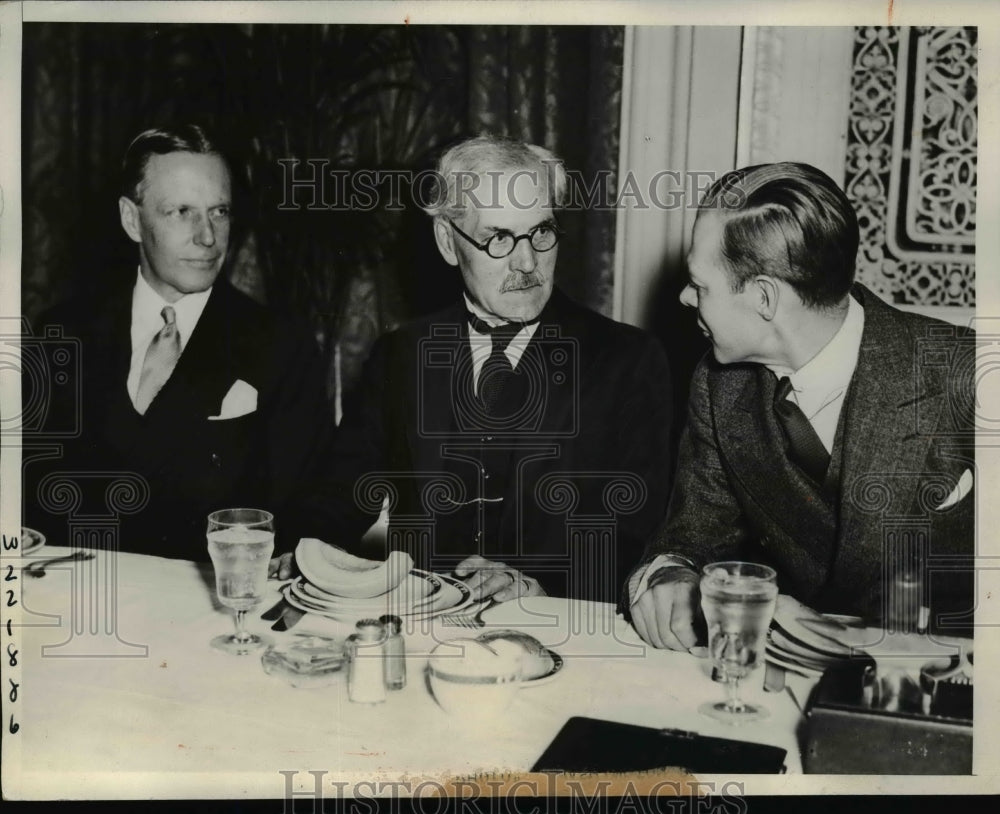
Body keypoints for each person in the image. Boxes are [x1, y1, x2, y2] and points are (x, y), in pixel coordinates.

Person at [294, 135, 673, 603]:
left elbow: (643, 537)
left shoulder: (627, 362)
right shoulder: (401, 354)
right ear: (448, 243)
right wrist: (298, 551)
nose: (528, 262)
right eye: (498, 238)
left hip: (558, 629)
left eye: (541, 232)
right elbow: (340, 494)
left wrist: (539, 588)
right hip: (422, 629)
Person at [627, 162, 975, 649]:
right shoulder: (720, 386)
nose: (685, 298)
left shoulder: (966, 374)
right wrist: (668, 574)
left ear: (765, 298)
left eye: (700, 286)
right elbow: (691, 537)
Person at [24, 124, 333, 562]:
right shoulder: (63, 332)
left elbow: (309, 505)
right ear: (132, 220)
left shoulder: (281, 345)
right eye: (181, 212)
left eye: (219, 211)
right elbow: (29, 497)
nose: (207, 237)